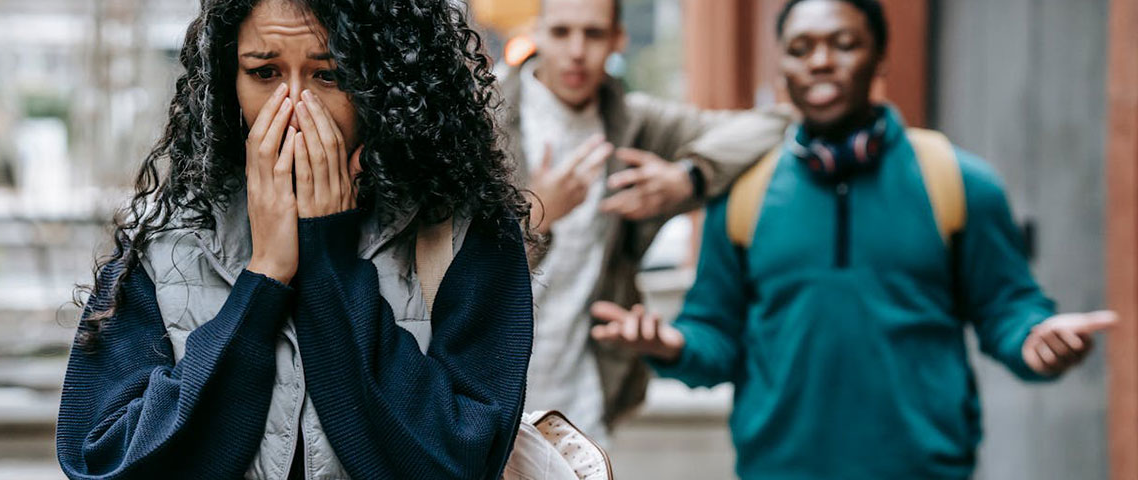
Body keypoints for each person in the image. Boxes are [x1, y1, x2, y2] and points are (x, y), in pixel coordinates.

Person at [590, 0, 1119, 478]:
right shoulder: (744, 193)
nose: (820, 61)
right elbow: (715, 334)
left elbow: (1008, 305)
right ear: (784, 69)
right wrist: (672, 346)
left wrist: (1034, 339)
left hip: (924, 469)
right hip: (779, 469)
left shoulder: (958, 182)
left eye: (843, 44)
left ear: (880, 58)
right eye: (801, 49)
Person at [55, 0, 533, 478]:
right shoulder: (163, 237)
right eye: (264, 73)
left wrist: (331, 258)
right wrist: (263, 279)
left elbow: (459, 461)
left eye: (328, 76)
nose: (294, 110)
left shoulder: (465, 233)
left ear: (384, 80)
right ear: (229, 80)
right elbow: (102, 460)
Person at [501, 0, 790, 442]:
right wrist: (537, 214)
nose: (576, 51)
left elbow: (776, 124)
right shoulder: (486, 120)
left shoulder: (633, 123)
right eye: (561, 33)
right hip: (487, 393)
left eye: (594, 34)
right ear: (537, 33)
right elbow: (444, 273)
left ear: (619, 40)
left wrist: (688, 177)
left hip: (583, 404)